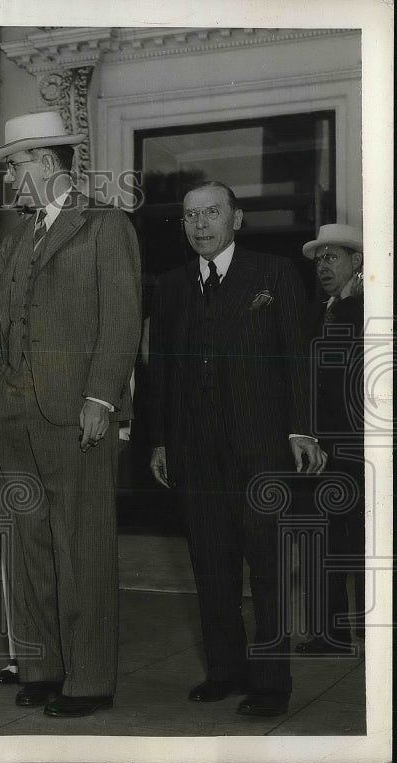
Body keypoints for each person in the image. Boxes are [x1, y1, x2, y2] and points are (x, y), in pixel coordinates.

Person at [148, 181, 328, 718]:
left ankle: (271, 684)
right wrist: (159, 439)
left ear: (237, 219)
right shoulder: (173, 286)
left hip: (260, 447)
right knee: (210, 565)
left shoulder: (273, 274)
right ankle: (225, 671)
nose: (200, 224)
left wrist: (303, 429)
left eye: (212, 213)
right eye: (190, 216)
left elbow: (298, 357)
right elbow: (161, 371)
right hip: (194, 451)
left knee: (266, 568)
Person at [0, 111, 142, 717]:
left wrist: (102, 399)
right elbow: (7, 331)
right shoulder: (14, 240)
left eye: (16, 167)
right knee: (29, 547)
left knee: (82, 547)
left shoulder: (104, 225)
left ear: (47, 163)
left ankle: (90, 679)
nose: (9, 182)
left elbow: (122, 321)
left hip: (78, 412)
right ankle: (43, 667)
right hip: (15, 413)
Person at [296, 223, 365, 655]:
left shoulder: (366, 309)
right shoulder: (323, 308)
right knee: (328, 536)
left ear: (356, 261)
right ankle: (332, 633)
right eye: (319, 259)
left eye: (332, 257)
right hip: (325, 446)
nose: (323, 266)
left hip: (358, 445)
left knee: (358, 538)